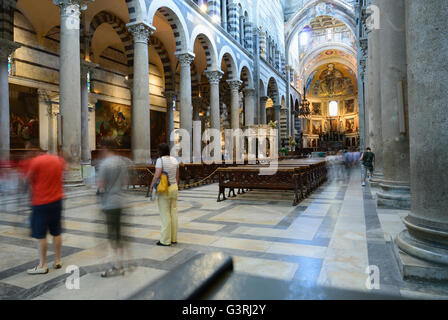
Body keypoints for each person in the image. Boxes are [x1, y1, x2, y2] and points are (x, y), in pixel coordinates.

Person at [26, 153, 65, 275]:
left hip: (41, 202)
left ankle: (42, 265)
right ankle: (57, 260)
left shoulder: (36, 161)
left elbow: (28, 178)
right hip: (57, 201)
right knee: (56, 232)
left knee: (41, 235)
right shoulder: (58, 160)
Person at [97, 150, 133, 277]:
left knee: (111, 236)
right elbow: (124, 182)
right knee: (119, 234)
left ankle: (115, 266)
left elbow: (101, 185)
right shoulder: (121, 162)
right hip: (121, 201)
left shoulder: (104, 164)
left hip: (110, 203)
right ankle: (120, 264)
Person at [149, 143, 180, 246]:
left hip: (164, 189)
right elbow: (177, 176)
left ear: (160, 151)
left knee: (165, 214)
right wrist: (174, 185)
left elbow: (157, 175)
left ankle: (165, 240)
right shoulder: (175, 160)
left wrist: (151, 186)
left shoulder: (160, 160)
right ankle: (173, 238)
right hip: (174, 187)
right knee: (173, 213)